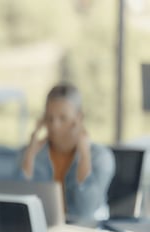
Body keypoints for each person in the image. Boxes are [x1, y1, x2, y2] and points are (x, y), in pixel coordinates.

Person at [20, 83, 115, 222]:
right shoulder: (34, 153)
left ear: (78, 117)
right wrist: (29, 156)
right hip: (45, 231)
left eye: (62, 118)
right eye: (49, 118)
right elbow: (19, 204)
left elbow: (86, 210)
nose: (54, 125)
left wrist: (84, 155)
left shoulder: (101, 157)